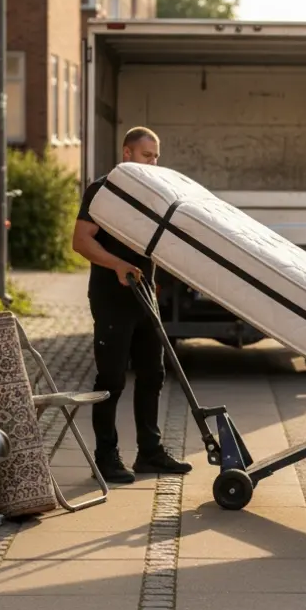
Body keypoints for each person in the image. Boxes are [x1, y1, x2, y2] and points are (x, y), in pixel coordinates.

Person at [72, 126, 193, 483]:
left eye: (156, 156)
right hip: (111, 298)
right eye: (146, 155)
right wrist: (117, 265)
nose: (153, 162)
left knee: (153, 374)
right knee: (111, 379)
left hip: (145, 296)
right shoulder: (103, 191)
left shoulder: (154, 195)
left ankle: (150, 453)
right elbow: (80, 241)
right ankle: (106, 457)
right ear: (127, 154)